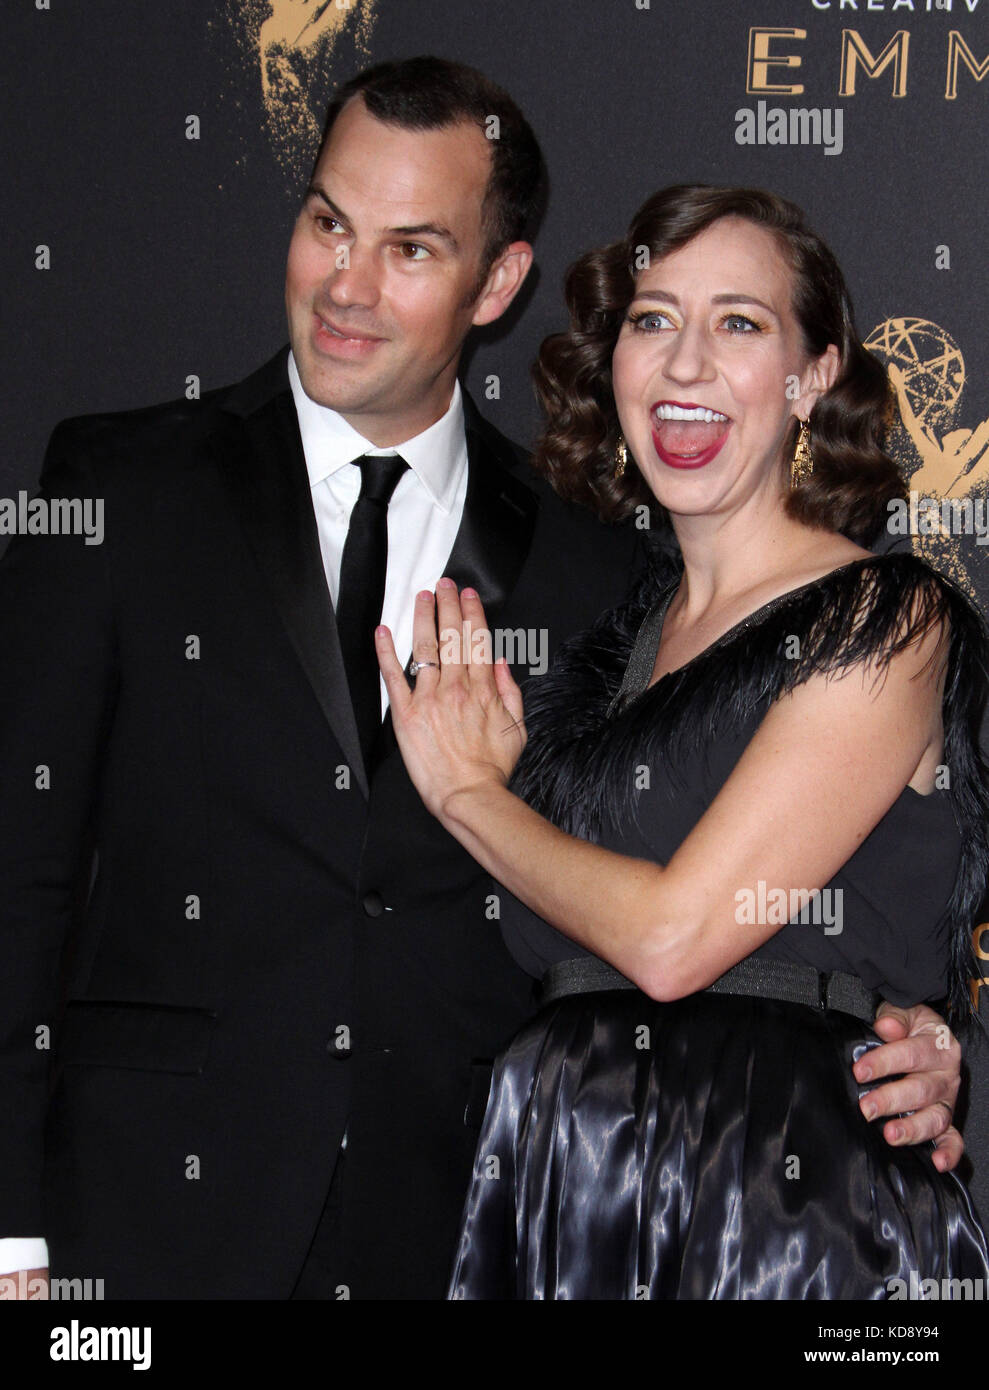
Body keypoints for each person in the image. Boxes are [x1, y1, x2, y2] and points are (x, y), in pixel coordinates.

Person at [0, 61, 966, 1300]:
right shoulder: (118, 485)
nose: (346, 288)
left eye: (410, 247)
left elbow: (719, 895)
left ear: (496, 281)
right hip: (148, 1224)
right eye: (326, 224)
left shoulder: (592, 566)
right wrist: (13, 1228)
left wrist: (908, 1034)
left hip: (475, 1220)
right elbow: (19, 871)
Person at [376, 185, 989, 1299]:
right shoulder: (594, 650)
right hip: (567, 1180)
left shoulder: (885, 617)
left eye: (739, 323)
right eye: (652, 319)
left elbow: (674, 940)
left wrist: (470, 795)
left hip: (781, 1210)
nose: (684, 363)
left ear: (811, 378)